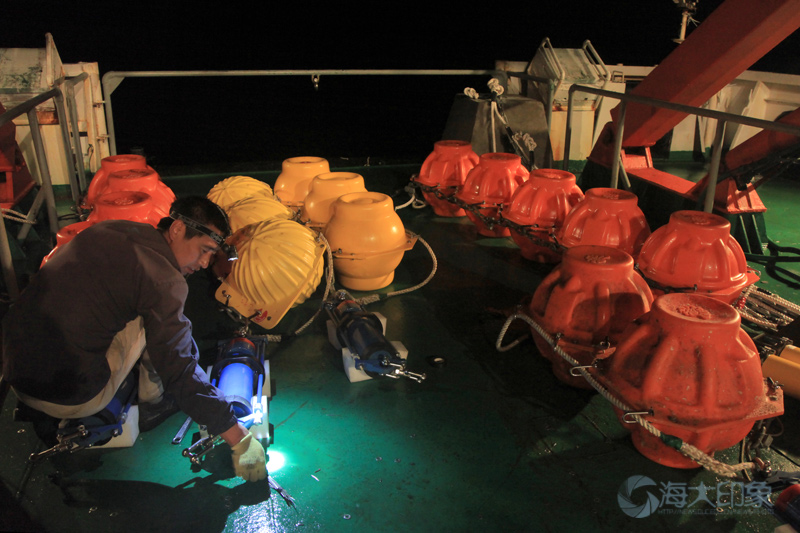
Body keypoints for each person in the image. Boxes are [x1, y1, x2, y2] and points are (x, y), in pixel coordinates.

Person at [1, 196, 266, 482]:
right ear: (177, 229)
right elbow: (179, 368)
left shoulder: (109, 229)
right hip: (70, 396)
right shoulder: (164, 280)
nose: (204, 263)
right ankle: (154, 401)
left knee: (140, 308)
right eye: (204, 250)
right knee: (158, 322)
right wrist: (238, 437)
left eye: (211, 256)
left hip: (15, 374)